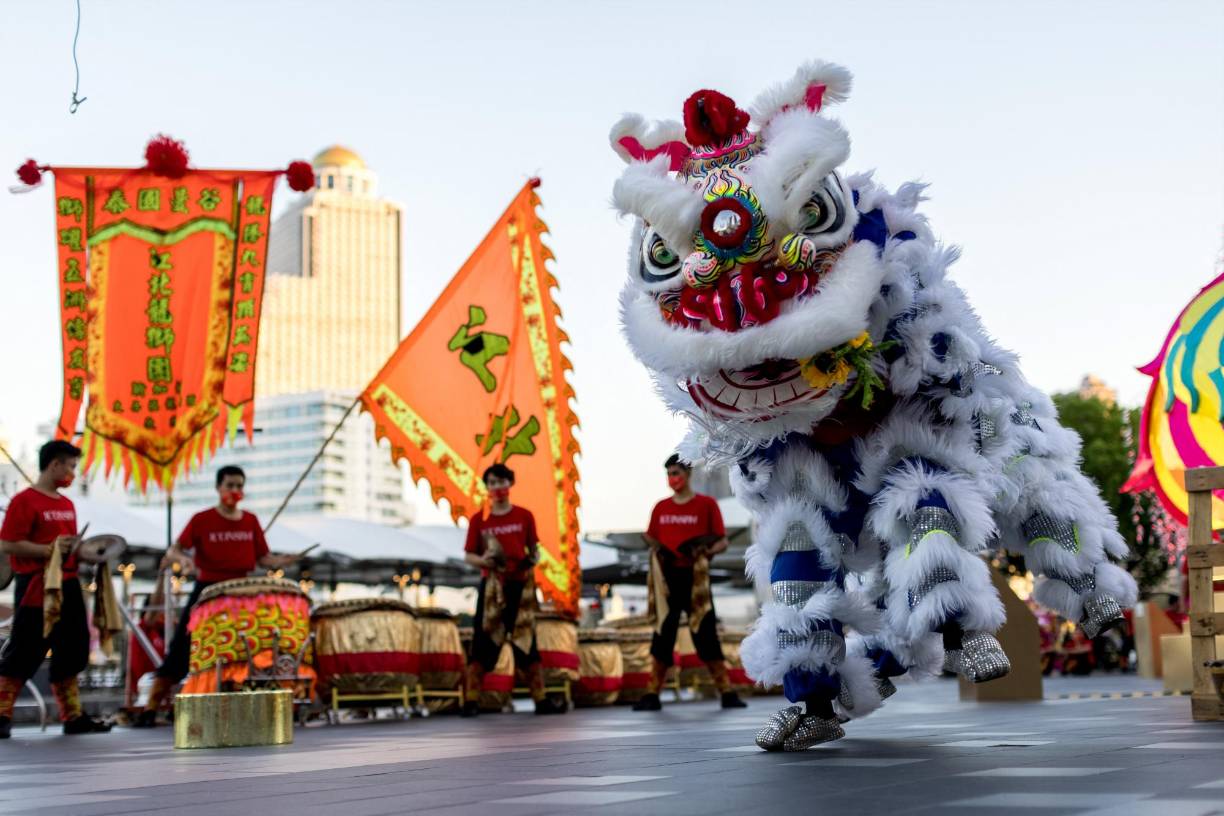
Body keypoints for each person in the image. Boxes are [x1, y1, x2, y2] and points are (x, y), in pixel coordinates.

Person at [133, 465, 297, 727]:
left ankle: (241, 704)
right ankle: (151, 707)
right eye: (230, 485)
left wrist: (282, 560)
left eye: (239, 486)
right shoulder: (201, 519)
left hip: (241, 595)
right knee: (182, 649)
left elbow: (262, 558)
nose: (235, 491)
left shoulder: (251, 521)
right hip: (207, 594)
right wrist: (184, 562)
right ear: (218, 488)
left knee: (245, 649)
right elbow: (173, 550)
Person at [0, 439, 112, 737]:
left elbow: (69, 548)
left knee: (73, 649)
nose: (72, 473)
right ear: (54, 465)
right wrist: (49, 549)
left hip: (69, 584)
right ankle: (1, 713)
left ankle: (72, 716)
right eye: (71, 466)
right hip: (37, 586)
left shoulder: (67, 505)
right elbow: (8, 543)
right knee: (24, 650)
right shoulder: (24, 501)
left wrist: (89, 553)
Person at [634, 454, 747, 712]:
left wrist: (707, 552)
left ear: (688, 474)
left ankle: (726, 692)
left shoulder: (706, 505)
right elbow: (652, 538)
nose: (673, 478)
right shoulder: (660, 508)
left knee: (706, 633)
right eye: (669, 474)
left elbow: (722, 540)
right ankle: (652, 693)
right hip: (667, 580)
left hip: (696, 578)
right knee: (662, 634)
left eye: (676, 473)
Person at [462, 464, 566, 717]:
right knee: (483, 643)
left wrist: (533, 560)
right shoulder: (480, 519)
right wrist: (484, 561)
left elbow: (535, 549)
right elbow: (468, 556)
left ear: (510, 484)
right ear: (487, 487)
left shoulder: (524, 516)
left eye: (501, 482)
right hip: (492, 590)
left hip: (521, 587)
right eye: (492, 483)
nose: (497, 487)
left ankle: (540, 700)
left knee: (527, 643)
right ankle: (471, 701)